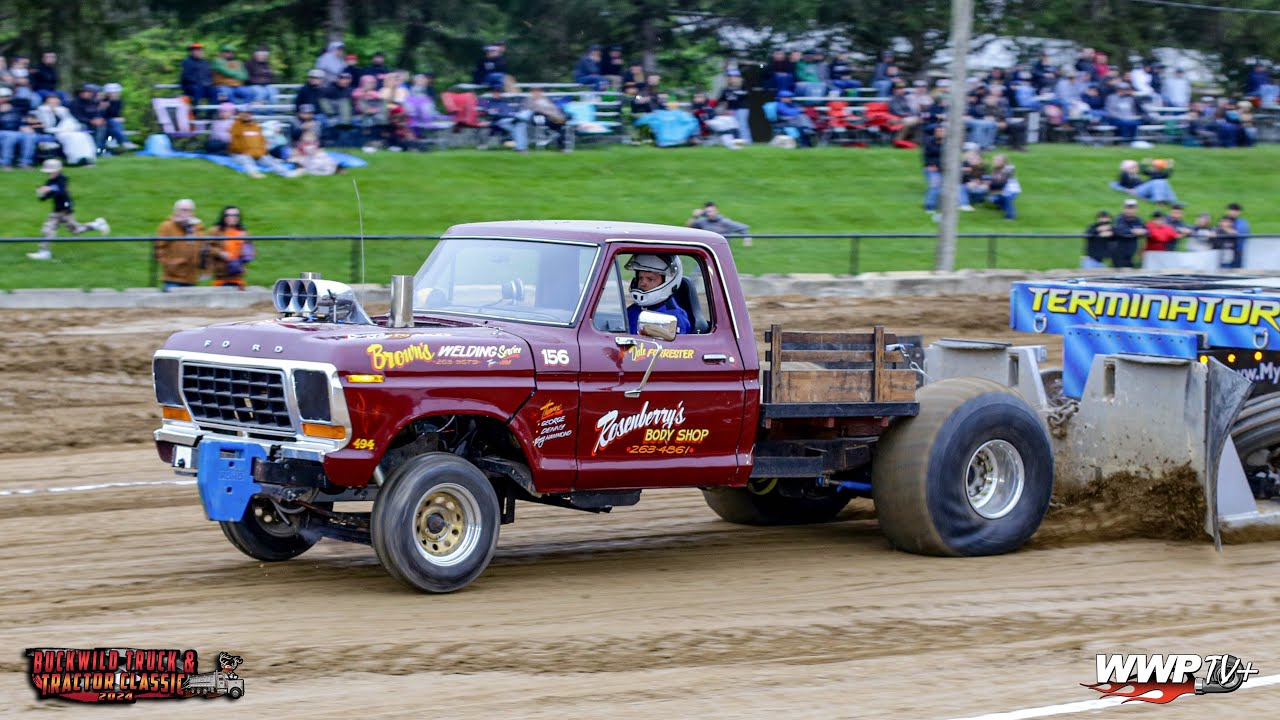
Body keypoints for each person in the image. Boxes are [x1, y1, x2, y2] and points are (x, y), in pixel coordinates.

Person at [28, 158, 109, 260]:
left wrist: (50, 189)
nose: (49, 174)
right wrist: (41, 194)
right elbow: (45, 197)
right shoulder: (49, 181)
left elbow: (61, 191)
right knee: (51, 229)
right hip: (57, 211)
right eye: (48, 172)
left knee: (74, 230)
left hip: (65, 210)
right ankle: (44, 252)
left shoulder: (62, 179)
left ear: (58, 171)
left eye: (51, 172)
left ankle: (96, 224)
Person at [624, 254, 691, 335]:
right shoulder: (632, 310)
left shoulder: (674, 317)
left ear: (667, 281)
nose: (642, 283)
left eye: (650, 279)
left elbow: (674, 347)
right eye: (640, 278)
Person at [155, 199, 206, 291]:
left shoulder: (197, 227)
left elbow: (202, 247)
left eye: (189, 210)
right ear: (176, 211)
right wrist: (171, 264)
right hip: (173, 278)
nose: (186, 213)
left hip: (191, 277)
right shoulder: (167, 226)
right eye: (183, 210)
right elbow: (158, 249)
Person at [229, 108, 296, 177]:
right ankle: (253, 173)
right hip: (242, 153)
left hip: (257, 153)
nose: (246, 115)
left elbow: (261, 141)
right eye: (244, 113)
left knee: (270, 160)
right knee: (246, 160)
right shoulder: (235, 126)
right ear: (240, 114)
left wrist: (261, 152)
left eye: (249, 113)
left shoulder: (256, 126)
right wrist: (250, 152)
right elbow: (236, 145)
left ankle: (286, 173)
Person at [206, 205, 254, 289]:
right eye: (230, 215)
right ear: (224, 217)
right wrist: (220, 253)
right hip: (221, 276)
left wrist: (245, 250)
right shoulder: (215, 231)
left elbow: (250, 253)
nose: (233, 218)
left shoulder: (244, 232)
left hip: (238, 276)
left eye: (236, 215)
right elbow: (207, 248)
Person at [1109, 158, 1177, 205]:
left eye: (1135, 167)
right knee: (1157, 181)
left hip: (1141, 188)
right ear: (1126, 168)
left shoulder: (1134, 175)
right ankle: (1159, 201)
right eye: (1133, 167)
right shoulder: (1124, 175)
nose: (1136, 168)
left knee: (1162, 181)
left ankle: (1170, 200)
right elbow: (1115, 185)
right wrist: (1125, 190)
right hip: (1136, 191)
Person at [1111, 198, 1148, 268]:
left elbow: (1146, 231)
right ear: (1124, 209)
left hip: (1133, 250)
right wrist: (1133, 231)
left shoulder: (1138, 220)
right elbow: (1118, 230)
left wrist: (1143, 232)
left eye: (1132, 208)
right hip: (1119, 251)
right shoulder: (1119, 219)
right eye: (1128, 208)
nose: (1130, 210)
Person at [987, 153, 1021, 220]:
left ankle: (1010, 216)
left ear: (1003, 161)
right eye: (994, 160)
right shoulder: (995, 169)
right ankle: (1002, 206)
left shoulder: (1009, 168)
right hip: (1003, 190)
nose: (995, 161)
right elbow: (994, 181)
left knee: (1007, 200)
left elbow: (1002, 182)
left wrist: (990, 186)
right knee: (992, 199)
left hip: (1012, 190)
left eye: (998, 160)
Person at [1224, 202, 1249, 268]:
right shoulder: (1223, 220)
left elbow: (1240, 233)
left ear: (1239, 212)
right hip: (1225, 251)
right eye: (1230, 210)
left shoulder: (1242, 222)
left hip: (1237, 251)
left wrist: (1226, 229)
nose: (1232, 212)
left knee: (1236, 270)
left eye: (1235, 210)